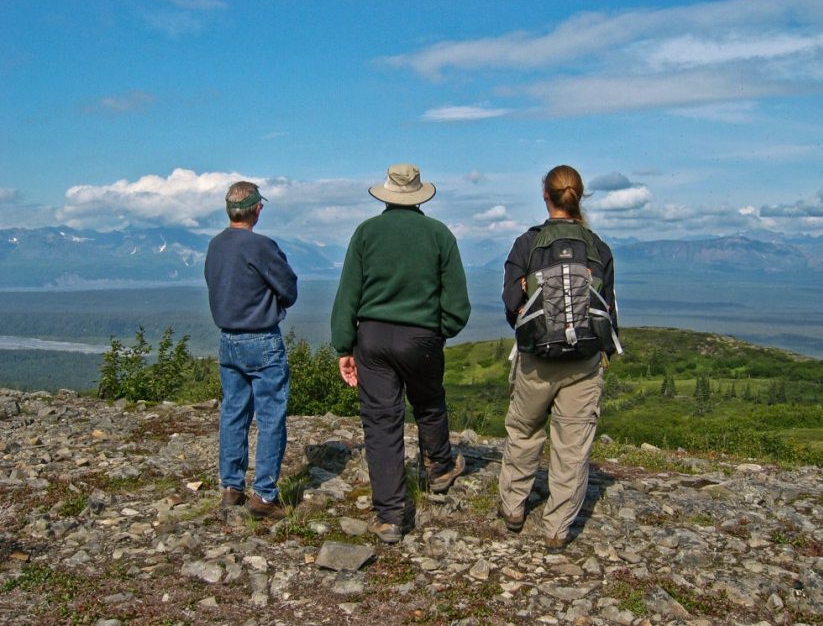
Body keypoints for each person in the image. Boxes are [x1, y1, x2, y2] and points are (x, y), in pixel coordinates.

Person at [331, 163, 471, 543]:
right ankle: (439, 469)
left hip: (371, 338)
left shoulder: (365, 233)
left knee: (380, 422)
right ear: (420, 193)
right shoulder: (440, 235)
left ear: (387, 193)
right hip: (422, 337)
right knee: (428, 401)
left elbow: (348, 294)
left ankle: (390, 516)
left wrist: (345, 346)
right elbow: (457, 304)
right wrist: (439, 332)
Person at [497, 165, 618, 550]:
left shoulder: (527, 244)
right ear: (578, 197)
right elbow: (608, 311)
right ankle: (556, 529)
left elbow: (511, 305)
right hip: (584, 362)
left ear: (545, 195)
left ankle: (514, 508)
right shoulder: (598, 247)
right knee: (572, 447)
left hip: (537, 360)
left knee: (523, 431)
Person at [204, 180, 298, 519]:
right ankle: (264, 496)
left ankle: (231, 488)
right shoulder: (261, 246)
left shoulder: (215, 246)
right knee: (271, 416)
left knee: (233, 412)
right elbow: (288, 287)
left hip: (228, 338)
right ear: (257, 209)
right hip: (261, 338)